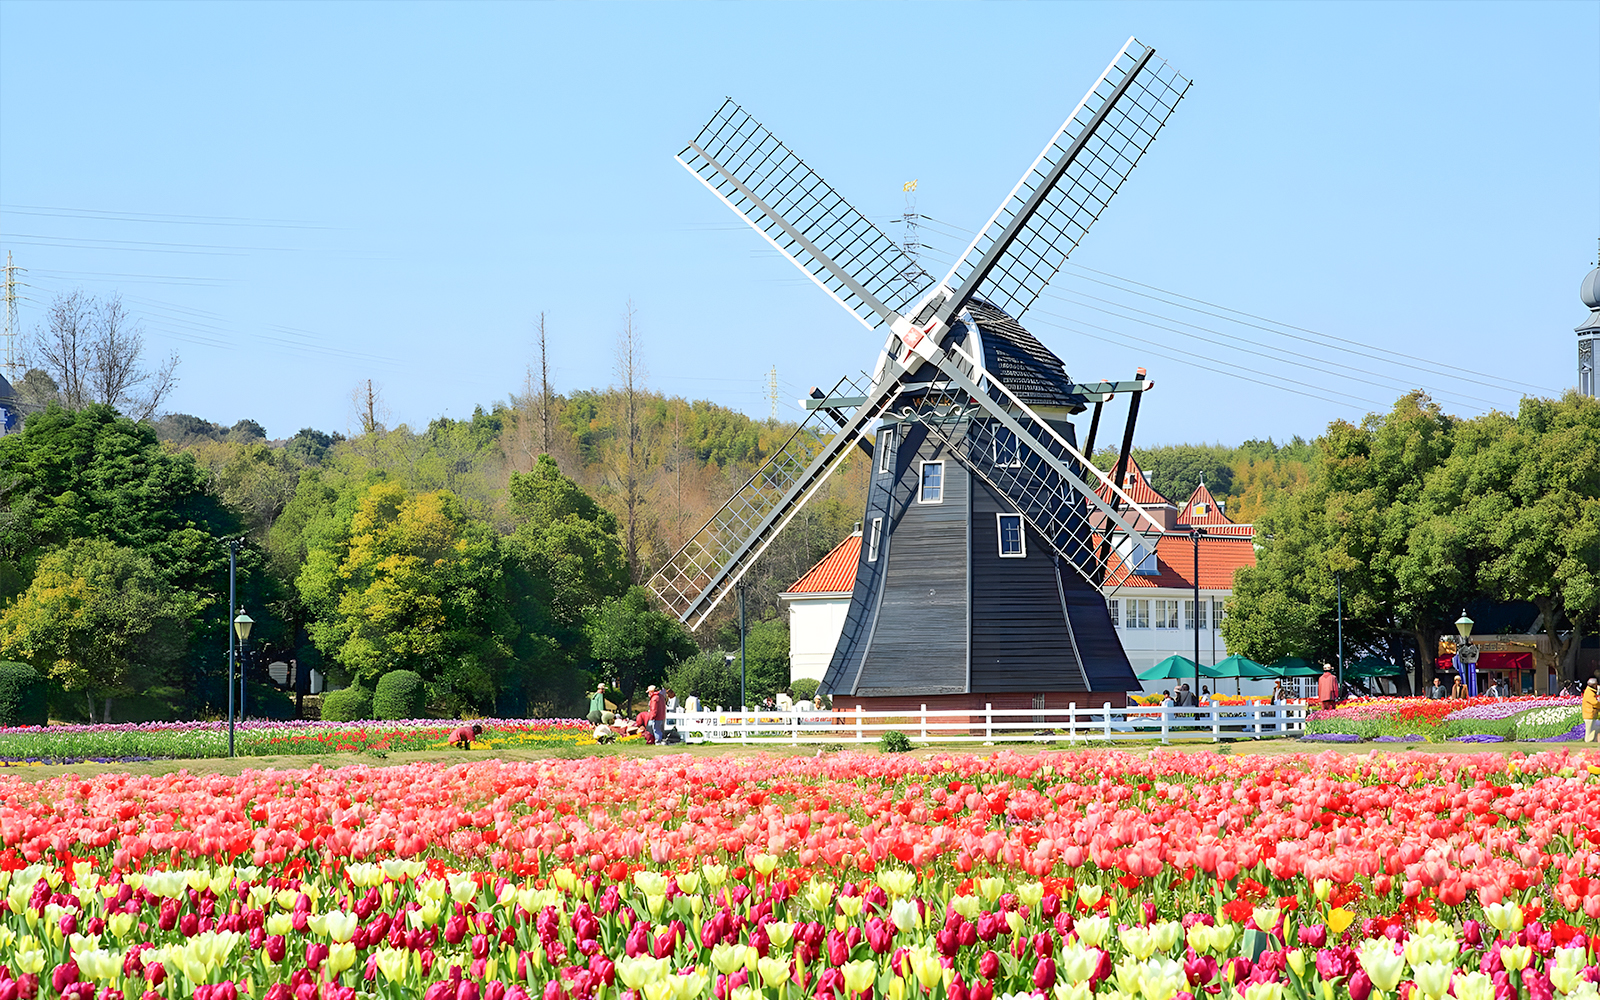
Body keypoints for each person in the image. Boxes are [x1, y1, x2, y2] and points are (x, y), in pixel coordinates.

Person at [1584, 678, 1598, 743]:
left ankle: (1591, 740)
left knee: (1592, 729)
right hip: (1589, 714)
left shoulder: (1591, 691)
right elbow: (1594, 703)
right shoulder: (1589, 692)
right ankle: (1588, 742)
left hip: (1591, 714)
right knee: (1589, 731)